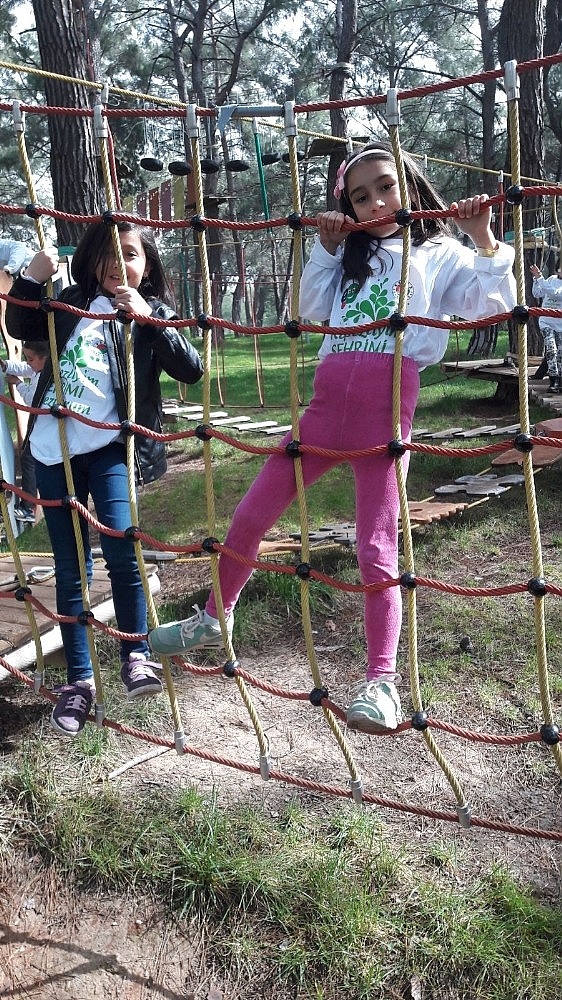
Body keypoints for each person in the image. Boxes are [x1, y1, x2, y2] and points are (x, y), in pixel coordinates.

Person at [148, 140, 516, 734]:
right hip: (322, 412)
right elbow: (312, 308)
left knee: (376, 548)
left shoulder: (436, 253)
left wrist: (484, 239)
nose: (376, 204)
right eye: (361, 196)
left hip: (384, 414)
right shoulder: (349, 254)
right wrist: (324, 246)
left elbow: (492, 304)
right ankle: (216, 616)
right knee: (250, 513)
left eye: (387, 187)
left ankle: (382, 680)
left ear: (410, 184)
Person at [6, 221, 204, 736]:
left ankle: (134, 655)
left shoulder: (149, 312)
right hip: (54, 450)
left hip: (111, 448)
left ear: (148, 265)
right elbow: (21, 324)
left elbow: (191, 369)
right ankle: (79, 680)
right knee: (70, 566)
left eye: (131, 254)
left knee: (123, 549)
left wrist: (149, 320)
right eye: (109, 254)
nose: (119, 263)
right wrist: (32, 279)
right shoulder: (71, 302)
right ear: (92, 262)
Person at [0, 340, 49, 522]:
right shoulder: (38, 367)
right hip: (41, 426)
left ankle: (28, 507)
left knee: (29, 459)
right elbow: (24, 368)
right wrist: (5, 365)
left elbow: (31, 400)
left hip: (44, 427)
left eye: (30, 359)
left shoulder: (44, 377)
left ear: (44, 358)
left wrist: (18, 383)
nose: (28, 362)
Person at [530, 261, 562, 392]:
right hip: (546, 322)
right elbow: (537, 293)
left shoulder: (548, 282)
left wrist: (540, 278)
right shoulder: (552, 279)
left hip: (560, 324)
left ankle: (560, 380)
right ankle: (554, 380)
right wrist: (536, 280)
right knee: (551, 350)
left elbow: (556, 294)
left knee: (560, 353)